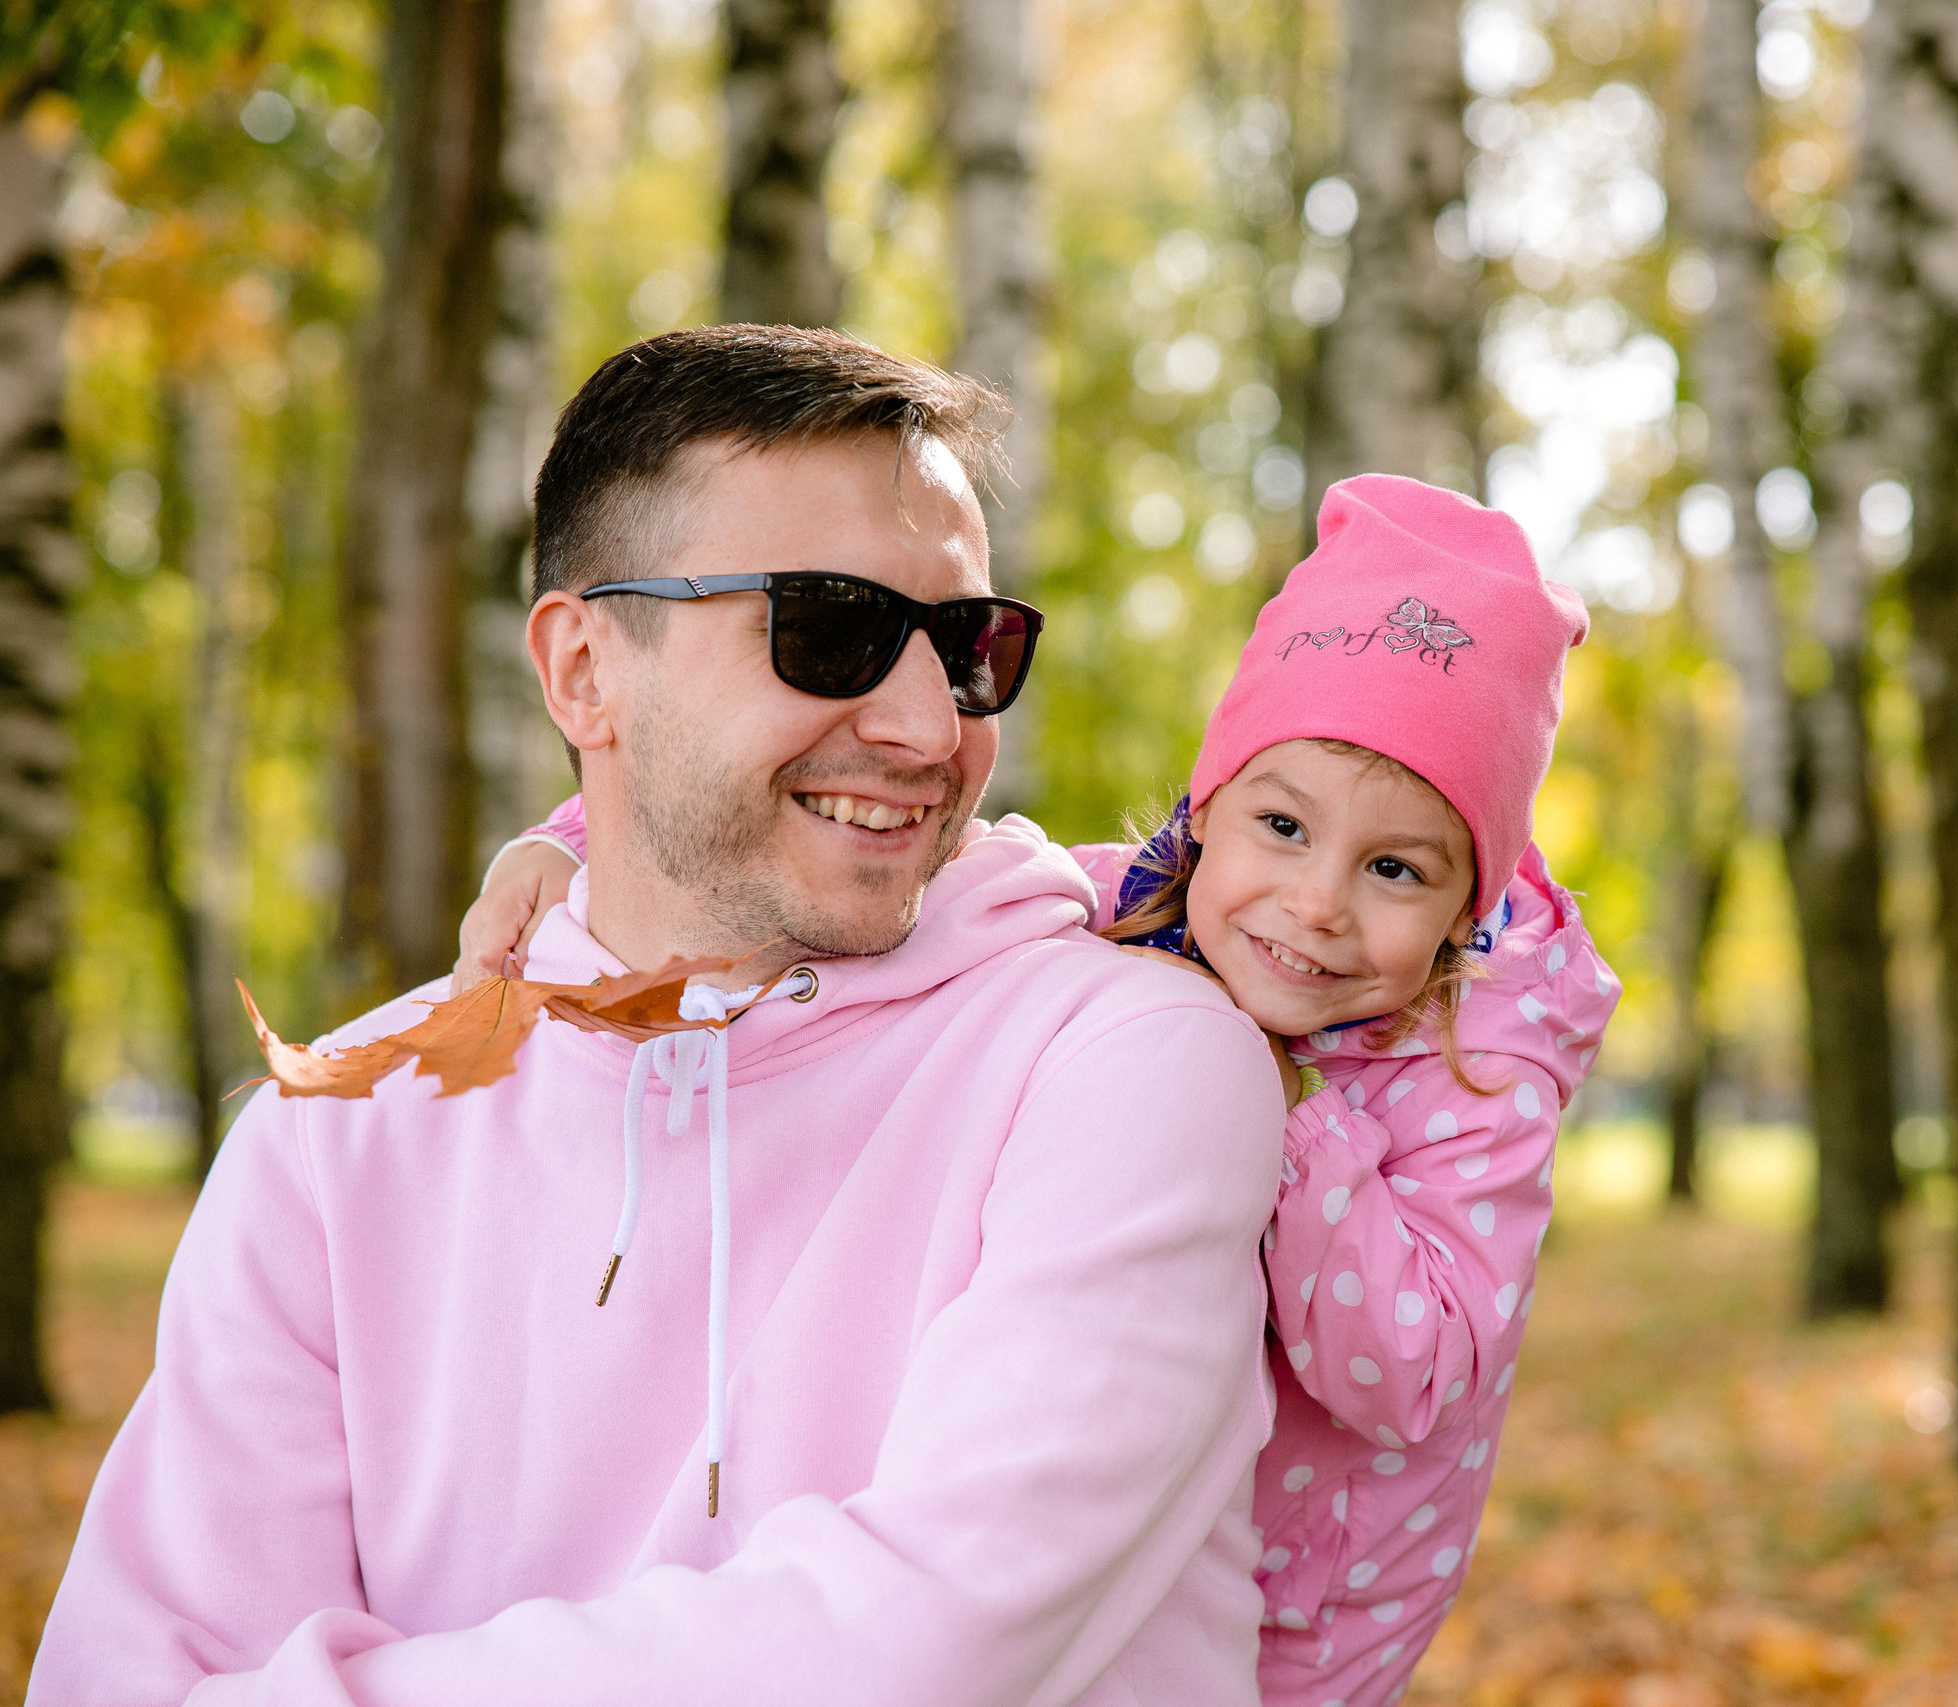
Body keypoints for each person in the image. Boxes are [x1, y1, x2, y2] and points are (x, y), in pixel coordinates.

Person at [30, 326, 1289, 1707]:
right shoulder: (331, 1135)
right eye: (831, 628)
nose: (934, 729)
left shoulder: (1126, 1066)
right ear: (583, 670)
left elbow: (926, 1646)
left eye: (969, 642)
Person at [470, 474, 1621, 1707]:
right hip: (1139, 1569)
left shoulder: (1476, 1073)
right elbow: (879, 851)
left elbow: (1411, 1373)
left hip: (1318, 1619)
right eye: (1281, 827)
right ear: (1205, 812)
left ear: (1465, 910)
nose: (1318, 903)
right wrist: (573, 841)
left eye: (1394, 868)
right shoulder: (1128, 906)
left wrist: (1278, 1101)